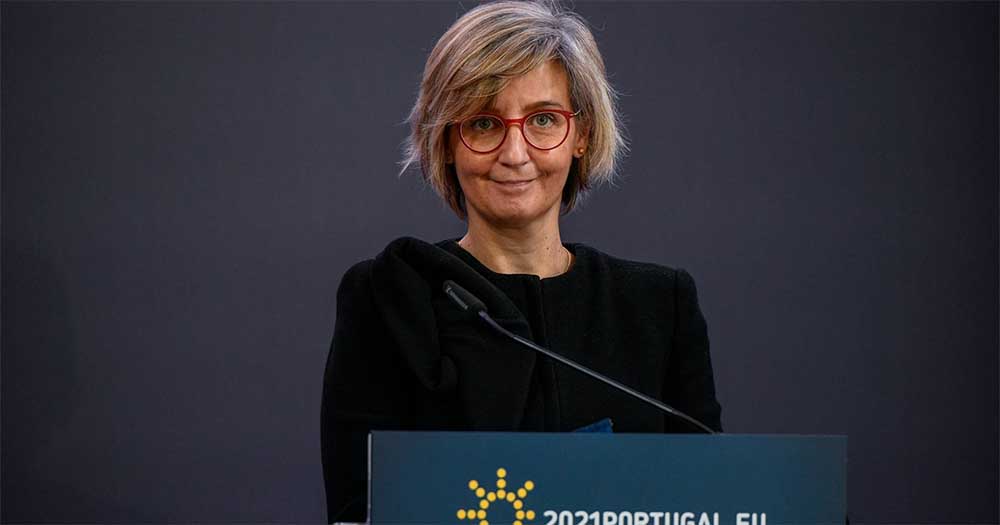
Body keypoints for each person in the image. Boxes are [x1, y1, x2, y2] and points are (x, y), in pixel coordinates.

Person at [320, 1, 722, 522]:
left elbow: (709, 500)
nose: (515, 153)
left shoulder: (659, 305)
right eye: (484, 123)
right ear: (446, 141)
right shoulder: (389, 299)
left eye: (544, 120)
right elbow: (359, 512)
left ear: (582, 135)